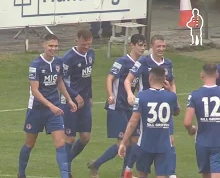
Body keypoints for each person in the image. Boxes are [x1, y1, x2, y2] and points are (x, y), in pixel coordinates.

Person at [17, 34, 77, 178]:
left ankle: (64, 176)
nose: (53, 49)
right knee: (29, 144)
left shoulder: (59, 62)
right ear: (43, 45)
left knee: (60, 144)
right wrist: (51, 106)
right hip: (36, 110)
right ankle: (21, 173)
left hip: (54, 110)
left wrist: (69, 99)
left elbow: (60, 82)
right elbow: (35, 90)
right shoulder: (35, 65)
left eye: (55, 46)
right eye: (50, 46)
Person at [86, 34, 146, 178]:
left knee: (135, 140)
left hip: (131, 107)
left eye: (144, 45)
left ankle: (125, 174)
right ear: (131, 45)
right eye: (139, 45)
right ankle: (96, 165)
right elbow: (110, 78)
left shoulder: (141, 64)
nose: (142, 48)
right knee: (122, 143)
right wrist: (110, 95)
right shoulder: (122, 61)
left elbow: (136, 84)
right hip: (117, 107)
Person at [124, 35, 178, 178]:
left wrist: (173, 96)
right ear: (152, 47)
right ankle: (129, 168)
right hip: (145, 106)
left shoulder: (168, 63)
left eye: (163, 46)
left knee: (169, 139)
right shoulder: (144, 61)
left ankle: (170, 172)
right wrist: (130, 94)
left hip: (164, 105)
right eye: (158, 46)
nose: (161, 49)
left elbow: (172, 83)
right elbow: (128, 80)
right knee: (141, 139)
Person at [61, 29, 95, 178]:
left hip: (85, 101)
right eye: (83, 44)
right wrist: (75, 96)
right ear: (77, 40)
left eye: (88, 43)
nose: (86, 46)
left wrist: (90, 96)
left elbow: (88, 78)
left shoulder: (92, 54)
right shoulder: (68, 58)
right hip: (70, 102)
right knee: (69, 138)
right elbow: (61, 81)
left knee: (85, 137)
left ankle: (66, 161)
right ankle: (66, 171)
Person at [184, 63, 220, 178]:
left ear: (202, 75)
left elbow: (187, 122)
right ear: (217, 74)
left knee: (206, 174)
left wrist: (191, 130)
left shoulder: (194, 95)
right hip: (218, 141)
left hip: (202, 141)